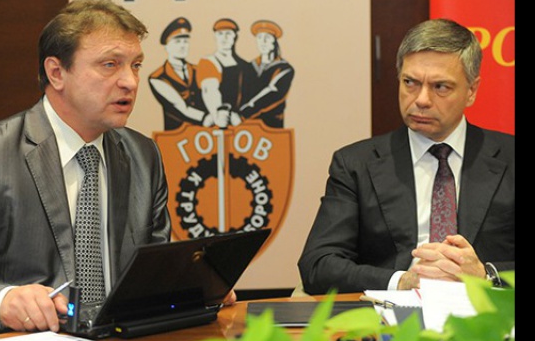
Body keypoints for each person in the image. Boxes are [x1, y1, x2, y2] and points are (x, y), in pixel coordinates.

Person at [0, 0, 235, 341]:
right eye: (110, 65)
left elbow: (150, 274)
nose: (130, 82)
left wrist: (192, 287)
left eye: (136, 65)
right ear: (56, 73)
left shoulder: (143, 155)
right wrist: (3, 301)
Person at [297, 18, 514, 294]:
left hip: (490, 312)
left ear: (471, 91)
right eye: (410, 82)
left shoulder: (509, 159)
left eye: (440, 87)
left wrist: (486, 274)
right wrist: (402, 281)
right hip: (389, 314)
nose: (421, 99)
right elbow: (318, 265)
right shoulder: (356, 165)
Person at [148, 17, 210, 130]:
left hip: (203, 135)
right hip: (175, 136)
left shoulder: (198, 70)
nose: (182, 45)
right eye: (177, 41)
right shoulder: (157, 77)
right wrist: (207, 118)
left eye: (185, 41)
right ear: (166, 46)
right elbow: (181, 107)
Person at [239, 19, 294, 128]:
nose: (262, 41)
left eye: (267, 37)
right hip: (245, 126)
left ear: (274, 42)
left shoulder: (284, 68)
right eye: (259, 37)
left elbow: (273, 93)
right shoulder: (248, 67)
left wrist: (243, 114)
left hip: (271, 125)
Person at [195, 18, 250, 128]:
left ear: (235, 36)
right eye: (220, 34)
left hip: (240, 122)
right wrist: (218, 113)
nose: (224, 38)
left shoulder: (245, 65)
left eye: (228, 34)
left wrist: (241, 117)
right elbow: (210, 90)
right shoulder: (208, 62)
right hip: (216, 122)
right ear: (215, 36)